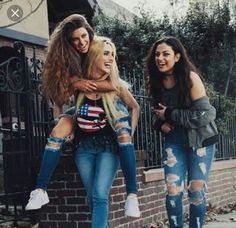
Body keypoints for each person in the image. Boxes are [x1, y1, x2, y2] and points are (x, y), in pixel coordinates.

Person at [26, 14, 140, 218]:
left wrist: (83, 84)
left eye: (83, 36)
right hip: (83, 124)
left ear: (90, 33)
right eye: (75, 39)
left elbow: (116, 86)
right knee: (58, 130)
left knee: (99, 194)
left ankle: (132, 194)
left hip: (107, 128)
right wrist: (74, 83)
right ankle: (40, 190)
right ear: (69, 42)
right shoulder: (69, 61)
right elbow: (59, 96)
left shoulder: (101, 49)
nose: (81, 42)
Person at [145, 36, 218, 228]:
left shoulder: (190, 78)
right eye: (157, 54)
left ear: (177, 57)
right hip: (174, 143)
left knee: (195, 191)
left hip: (200, 142)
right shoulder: (156, 82)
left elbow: (206, 114)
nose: (160, 58)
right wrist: (160, 125)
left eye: (165, 54)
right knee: (172, 190)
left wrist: (170, 114)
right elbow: (159, 114)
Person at [73, 36, 140, 228]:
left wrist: (129, 133)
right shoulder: (80, 85)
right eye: (106, 53)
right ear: (94, 55)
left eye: (113, 55)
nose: (111, 58)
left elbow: (135, 107)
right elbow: (58, 100)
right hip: (83, 147)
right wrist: (63, 124)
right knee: (92, 195)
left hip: (109, 148)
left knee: (100, 194)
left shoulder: (116, 85)